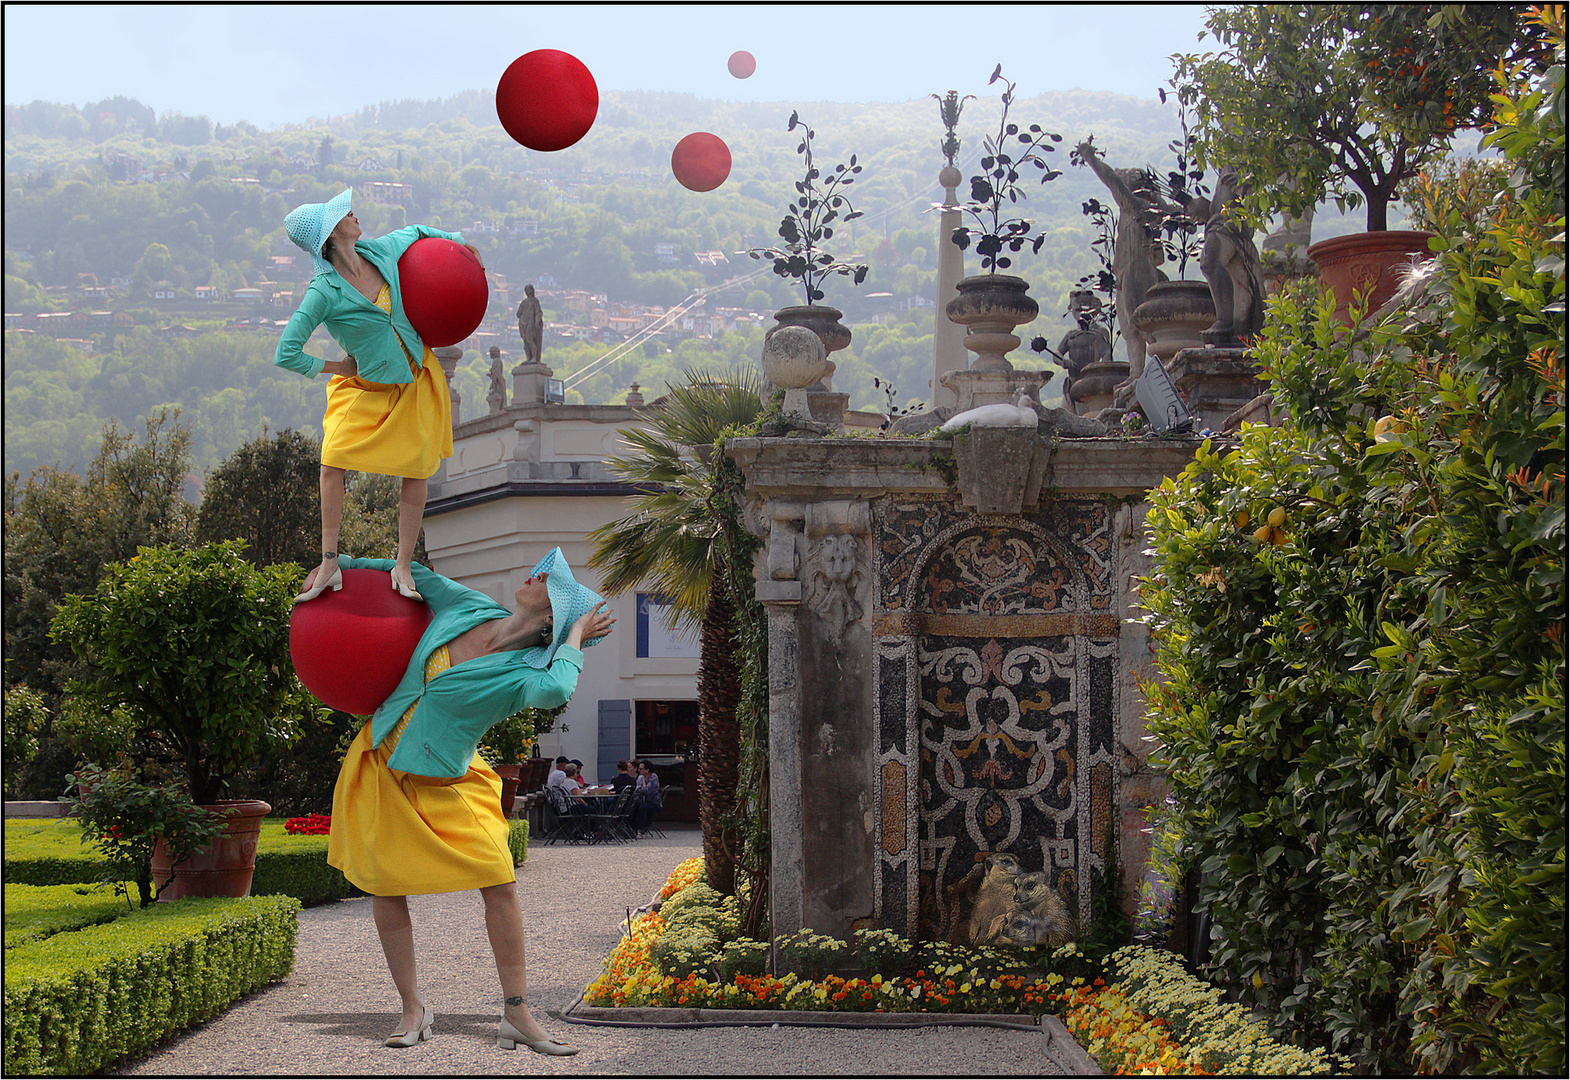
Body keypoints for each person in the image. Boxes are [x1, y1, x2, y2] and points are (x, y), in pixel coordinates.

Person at [317, 546, 612, 1054]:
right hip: (382, 760)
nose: (536, 571)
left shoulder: (525, 671)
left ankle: (516, 1012)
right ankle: (413, 1009)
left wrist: (576, 637)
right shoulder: (470, 606)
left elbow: (558, 687)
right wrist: (337, 563)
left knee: (499, 880)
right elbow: (409, 572)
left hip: (451, 779)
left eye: (549, 578)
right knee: (386, 886)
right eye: (543, 566)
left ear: (552, 612)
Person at [277, 187, 485, 604]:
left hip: (415, 380)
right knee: (332, 461)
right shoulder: (323, 292)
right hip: (368, 388)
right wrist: (337, 367)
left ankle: (403, 564)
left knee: (417, 469)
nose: (355, 216)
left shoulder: (381, 251)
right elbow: (287, 352)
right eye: (346, 214)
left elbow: (419, 231)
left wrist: (461, 244)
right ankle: (329, 562)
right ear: (333, 234)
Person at [632, 760, 662, 838]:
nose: (639, 770)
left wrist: (643, 783)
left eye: (641, 769)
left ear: (647, 770)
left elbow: (647, 791)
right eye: (639, 768)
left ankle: (640, 830)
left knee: (643, 808)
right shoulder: (640, 777)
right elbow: (637, 790)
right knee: (633, 806)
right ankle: (631, 828)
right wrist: (642, 787)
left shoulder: (653, 777)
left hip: (653, 802)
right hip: (642, 800)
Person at [516, 283, 544, 364]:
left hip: (531, 324)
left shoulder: (535, 301)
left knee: (530, 340)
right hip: (523, 324)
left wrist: (537, 322)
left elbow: (538, 312)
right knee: (526, 342)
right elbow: (518, 314)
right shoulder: (524, 302)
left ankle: (534, 357)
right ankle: (529, 358)